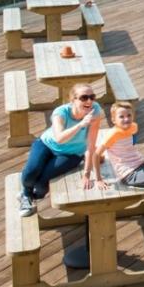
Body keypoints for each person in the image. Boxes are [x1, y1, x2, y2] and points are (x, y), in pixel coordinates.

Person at [18, 83, 103, 216]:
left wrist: (87, 174)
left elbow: (91, 144)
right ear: (73, 100)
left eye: (92, 97)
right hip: (46, 144)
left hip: (72, 153)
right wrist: (81, 124)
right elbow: (59, 138)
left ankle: (33, 197)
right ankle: (26, 193)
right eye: (84, 98)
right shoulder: (61, 112)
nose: (89, 101)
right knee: (31, 173)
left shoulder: (95, 111)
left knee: (42, 183)